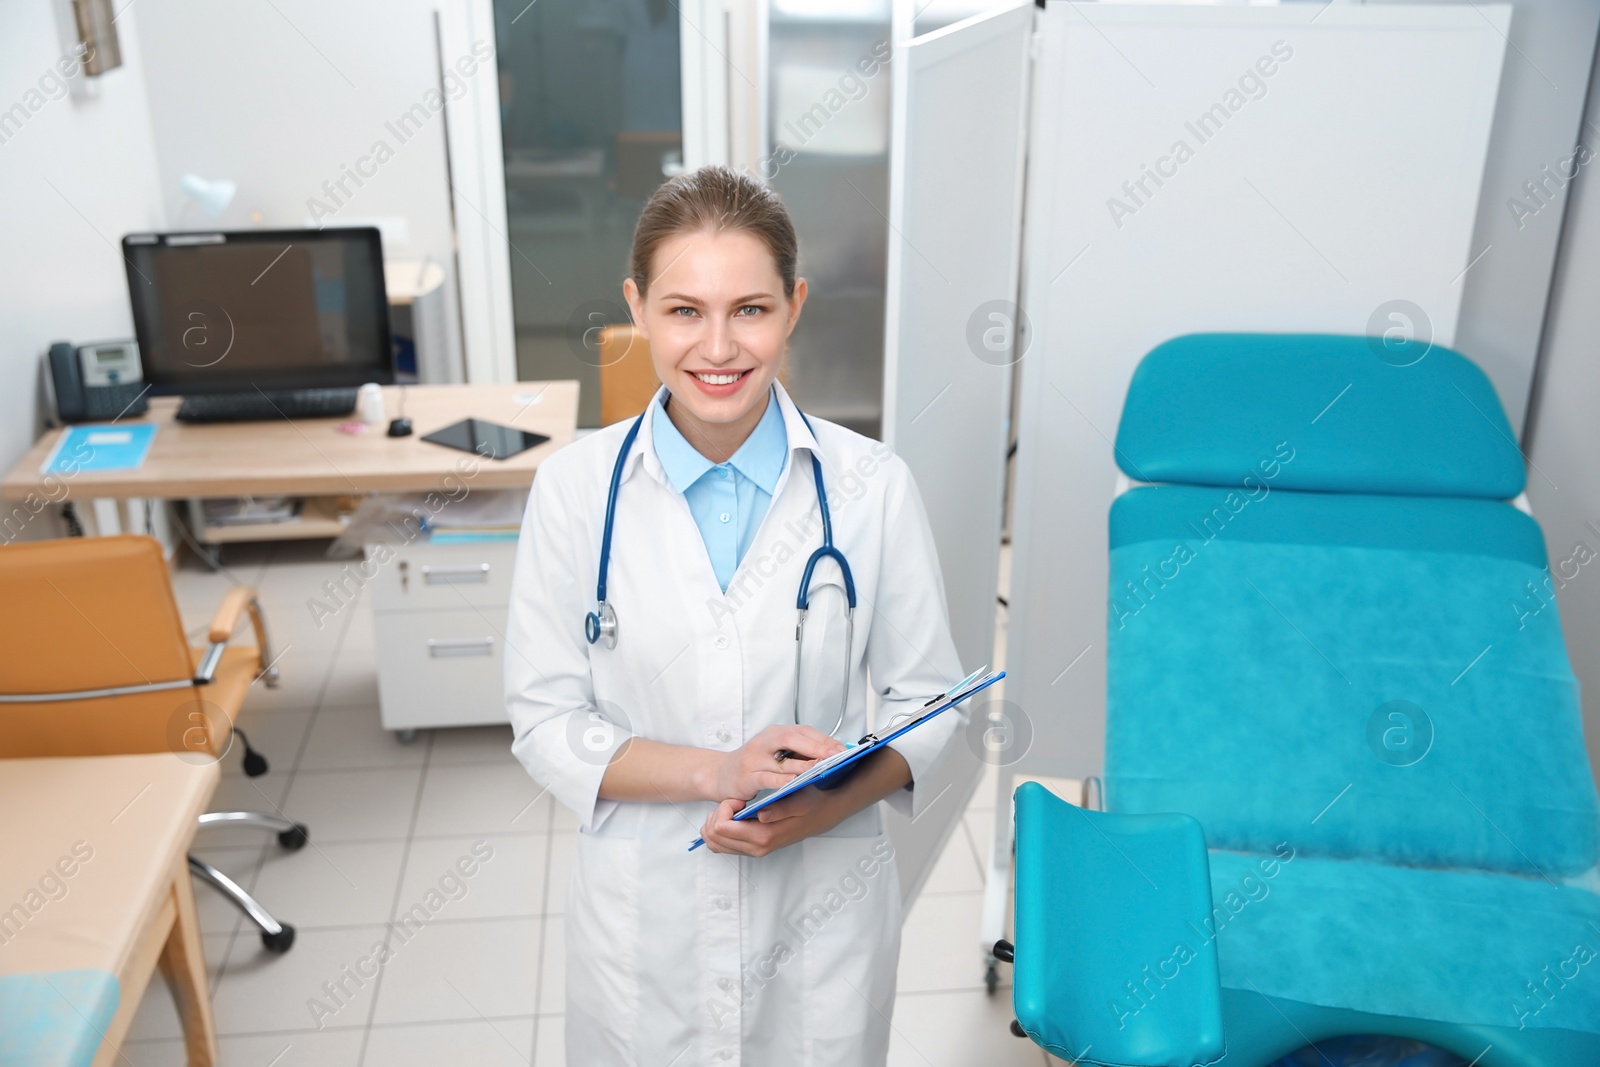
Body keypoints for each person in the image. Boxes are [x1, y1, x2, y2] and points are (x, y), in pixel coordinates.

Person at [505, 164, 965, 1066]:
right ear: (637, 308)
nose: (718, 346)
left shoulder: (871, 487)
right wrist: (720, 770)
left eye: (750, 309)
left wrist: (821, 808)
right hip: (646, 909)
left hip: (822, 901)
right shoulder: (574, 489)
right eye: (684, 310)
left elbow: (930, 703)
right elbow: (546, 720)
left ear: (793, 306)